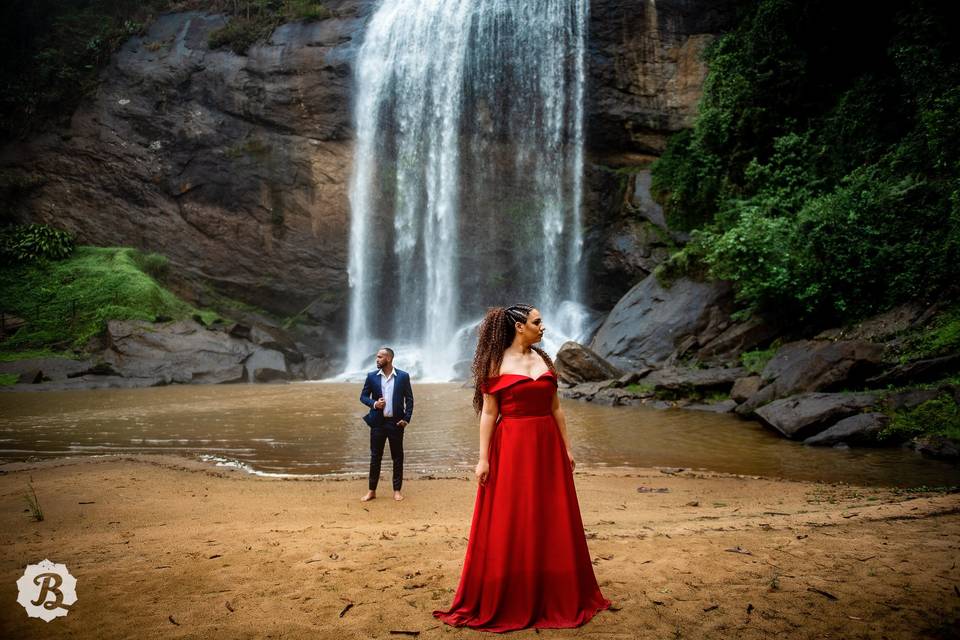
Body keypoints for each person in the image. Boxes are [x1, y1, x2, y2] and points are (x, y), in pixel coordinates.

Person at [432, 304, 611, 631]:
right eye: (537, 321)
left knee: (550, 514)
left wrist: (567, 447)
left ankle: (554, 588)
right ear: (518, 326)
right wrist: (483, 458)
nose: (543, 327)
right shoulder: (495, 363)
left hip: (547, 445)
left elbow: (556, 407)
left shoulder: (544, 359)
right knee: (513, 515)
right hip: (511, 444)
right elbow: (488, 413)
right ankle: (515, 590)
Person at [359, 347, 414, 502]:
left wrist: (407, 419)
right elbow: (363, 397)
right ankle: (371, 491)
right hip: (377, 423)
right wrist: (374, 403)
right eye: (377, 357)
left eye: (380, 357)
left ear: (388, 358)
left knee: (397, 457)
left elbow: (409, 400)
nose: (377, 359)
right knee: (375, 457)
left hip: (396, 423)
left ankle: (397, 491)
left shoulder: (403, 376)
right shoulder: (371, 376)